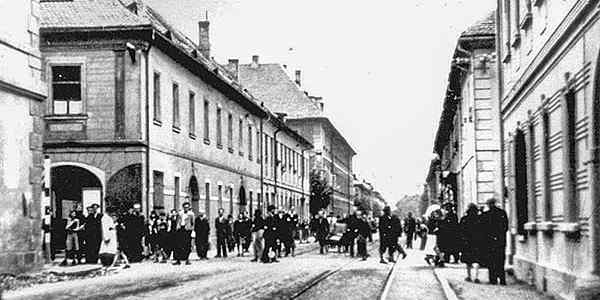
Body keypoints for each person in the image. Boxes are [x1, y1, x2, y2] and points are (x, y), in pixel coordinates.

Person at [482, 197, 508, 285]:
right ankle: (502, 279)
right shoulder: (502, 213)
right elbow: (505, 227)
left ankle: (493, 279)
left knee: (491, 261)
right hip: (500, 241)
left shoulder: (486, 215)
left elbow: (483, 229)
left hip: (489, 242)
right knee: (500, 261)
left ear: (488, 205)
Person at [460, 203, 484, 283]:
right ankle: (476, 277)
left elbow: (461, 230)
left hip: (467, 242)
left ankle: (469, 276)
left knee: (468, 260)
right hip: (477, 241)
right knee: (477, 259)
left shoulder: (464, 219)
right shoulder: (479, 218)